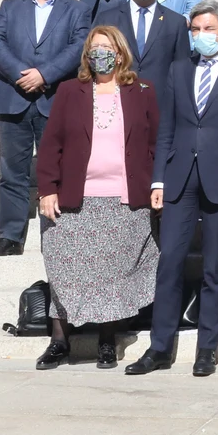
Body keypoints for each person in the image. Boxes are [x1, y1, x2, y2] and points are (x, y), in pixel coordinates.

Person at [126, 1, 218, 378]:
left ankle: (207, 348)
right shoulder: (177, 70)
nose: (201, 35)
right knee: (169, 261)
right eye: (194, 29)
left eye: (208, 28)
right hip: (179, 178)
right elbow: (166, 128)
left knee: (215, 268)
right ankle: (160, 347)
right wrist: (158, 179)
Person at [33, 26, 160, 370]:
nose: (99, 53)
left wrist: (157, 185)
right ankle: (60, 341)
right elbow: (51, 145)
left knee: (112, 273)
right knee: (63, 269)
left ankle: (107, 339)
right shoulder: (69, 91)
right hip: (74, 198)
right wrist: (47, 189)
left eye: (106, 47)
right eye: (94, 48)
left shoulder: (142, 91)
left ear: (120, 53)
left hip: (123, 199)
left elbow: (155, 144)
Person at [0, 0, 91, 256]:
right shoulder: (10, 7)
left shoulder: (76, 10)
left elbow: (78, 46)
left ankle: (56, 233)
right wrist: (23, 75)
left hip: (53, 98)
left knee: (56, 168)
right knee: (13, 170)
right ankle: (10, 235)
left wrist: (44, 74)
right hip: (13, 97)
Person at [93, 0, 187, 106]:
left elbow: (182, 70)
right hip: (115, 102)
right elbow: (95, 63)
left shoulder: (176, 22)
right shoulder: (107, 19)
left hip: (159, 104)